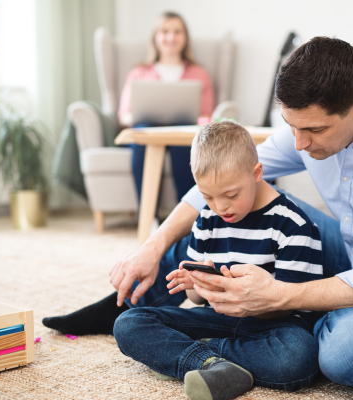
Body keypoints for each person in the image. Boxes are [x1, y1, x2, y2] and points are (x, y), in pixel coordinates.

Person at [45, 36, 353, 391]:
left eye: (313, 130)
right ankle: (135, 297)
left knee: (343, 358)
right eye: (292, 127)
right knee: (229, 204)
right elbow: (225, 182)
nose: (299, 145)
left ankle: (277, 330)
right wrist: (153, 244)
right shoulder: (310, 122)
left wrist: (281, 296)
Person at [113, 120, 324, 400]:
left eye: (231, 195)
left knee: (298, 358)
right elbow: (196, 299)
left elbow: (287, 305)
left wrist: (236, 291)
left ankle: (192, 353)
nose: (220, 207)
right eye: (207, 196)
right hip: (220, 318)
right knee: (129, 324)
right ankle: (212, 365)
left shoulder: (293, 224)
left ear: (257, 173)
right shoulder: (207, 219)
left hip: (274, 328)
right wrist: (198, 284)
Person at [119, 11, 215, 205]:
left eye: (177, 32)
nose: (171, 37)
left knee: (182, 143)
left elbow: (207, 115)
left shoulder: (199, 73)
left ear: (185, 38)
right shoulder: (139, 72)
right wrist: (140, 116)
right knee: (144, 133)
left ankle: (187, 215)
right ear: (155, 37)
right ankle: (149, 217)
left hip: (183, 132)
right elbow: (124, 115)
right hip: (147, 132)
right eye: (165, 31)